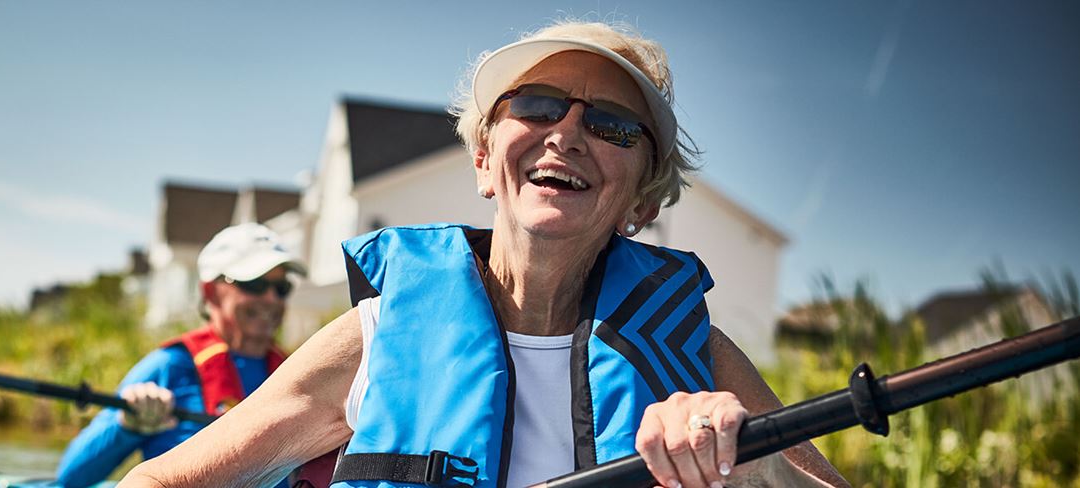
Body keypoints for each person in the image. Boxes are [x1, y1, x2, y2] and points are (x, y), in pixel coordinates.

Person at [120, 21, 850, 488]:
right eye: (535, 105)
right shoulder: (375, 336)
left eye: (612, 126)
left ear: (643, 205)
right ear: (481, 161)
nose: (566, 133)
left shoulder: (703, 361)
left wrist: (751, 465)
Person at [53, 223, 305, 487]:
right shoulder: (168, 366)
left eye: (282, 288)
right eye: (254, 284)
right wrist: (126, 426)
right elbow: (71, 479)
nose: (271, 299)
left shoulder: (301, 371)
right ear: (210, 292)